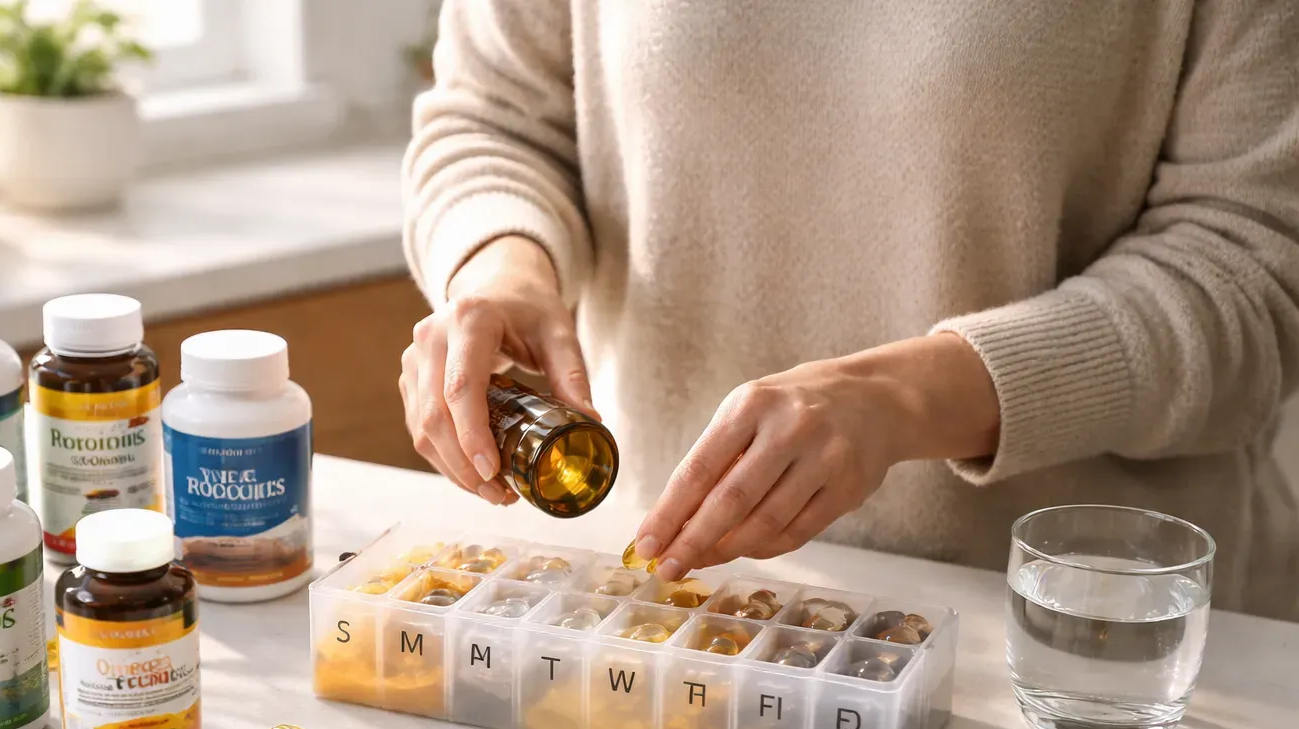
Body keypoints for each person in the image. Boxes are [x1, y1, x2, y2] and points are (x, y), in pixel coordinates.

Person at [400, 1, 1299, 621]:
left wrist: (906, 398)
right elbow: (495, 118)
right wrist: (501, 267)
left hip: (1086, 642)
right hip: (656, 599)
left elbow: (1255, 266)